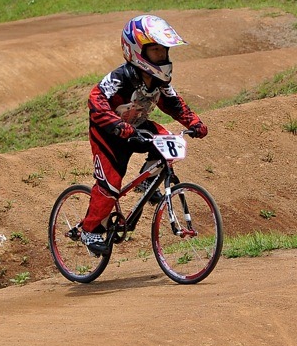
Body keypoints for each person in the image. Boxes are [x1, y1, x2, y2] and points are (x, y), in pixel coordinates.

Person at [79, 14, 208, 255]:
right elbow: (95, 100)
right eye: (156, 51)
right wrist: (116, 125)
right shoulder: (121, 77)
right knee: (111, 185)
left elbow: (175, 105)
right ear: (137, 50)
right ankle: (89, 230)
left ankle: (147, 180)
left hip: (136, 128)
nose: (162, 56)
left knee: (168, 142)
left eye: (164, 51)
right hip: (108, 135)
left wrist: (195, 123)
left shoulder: (160, 81)